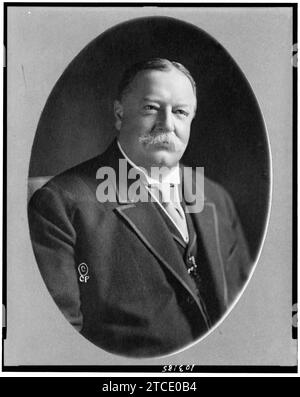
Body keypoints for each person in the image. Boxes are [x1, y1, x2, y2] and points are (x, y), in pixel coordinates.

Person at [28, 58, 251, 358]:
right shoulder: (60, 204)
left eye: (180, 112)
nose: (167, 124)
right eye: (150, 108)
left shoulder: (216, 197)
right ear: (120, 115)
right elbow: (59, 348)